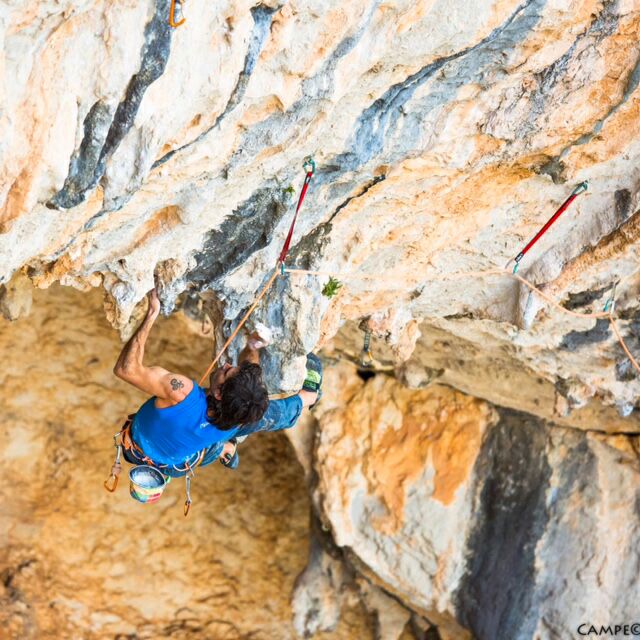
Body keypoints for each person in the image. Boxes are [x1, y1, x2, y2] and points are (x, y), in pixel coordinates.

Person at [113, 290, 321, 477]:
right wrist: (253, 345)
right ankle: (307, 398)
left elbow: (126, 370)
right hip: (179, 459)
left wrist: (152, 313)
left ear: (220, 393)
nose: (227, 365)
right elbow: (248, 368)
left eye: (227, 372)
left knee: (222, 442)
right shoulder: (240, 416)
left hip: (144, 452)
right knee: (262, 414)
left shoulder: (183, 394)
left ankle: (226, 449)